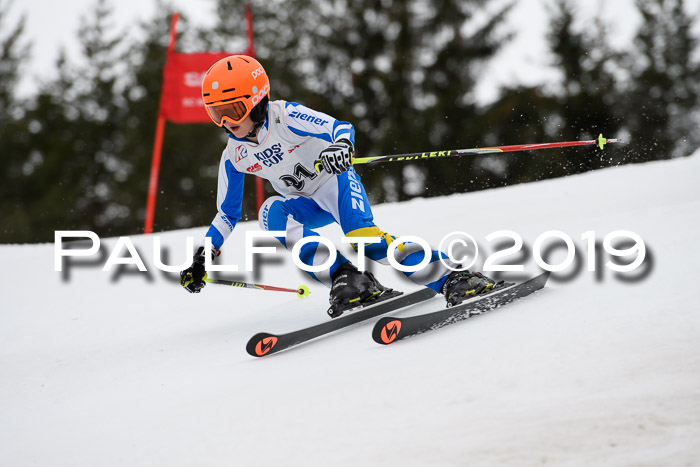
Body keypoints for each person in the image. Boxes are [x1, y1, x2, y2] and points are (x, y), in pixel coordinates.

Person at [180, 55, 496, 317]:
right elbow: (227, 214)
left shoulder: (285, 116)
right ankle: (349, 277)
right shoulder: (234, 154)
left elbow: (339, 128)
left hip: (335, 183)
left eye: (231, 111)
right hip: (306, 203)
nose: (225, 123)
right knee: (270, 212)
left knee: (366, 242)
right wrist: (202, 257)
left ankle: (454, 276)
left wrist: (341, 147)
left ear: (257, 100)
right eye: (215, 114)